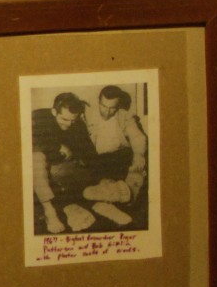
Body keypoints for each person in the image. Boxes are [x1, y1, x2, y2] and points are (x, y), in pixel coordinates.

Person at [31, 92, 98, 234]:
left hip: (64, 171)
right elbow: (25, 142)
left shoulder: (77, 123)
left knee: (88, 172)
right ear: (54, 112)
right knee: (36, 158)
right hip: (41, 172)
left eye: (73, 120)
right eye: (64, 119)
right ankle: (49, 211)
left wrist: (99, 177)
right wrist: (57, 146)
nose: (69, 124)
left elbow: (89, 153)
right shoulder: (37, 117)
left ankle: (95, 195)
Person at [82, 85, 147, 214]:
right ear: (99, 101)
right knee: (93, 172)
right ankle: (115, 195)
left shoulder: (124, 115)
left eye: (112, 108)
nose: (107, 112)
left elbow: (137, 136)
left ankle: (120, 195)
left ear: (118, 106)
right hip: (96, 160)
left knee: (137, 165)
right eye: (104, 106)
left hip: (119, 157)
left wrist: (139, 154)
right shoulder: (87, 115)